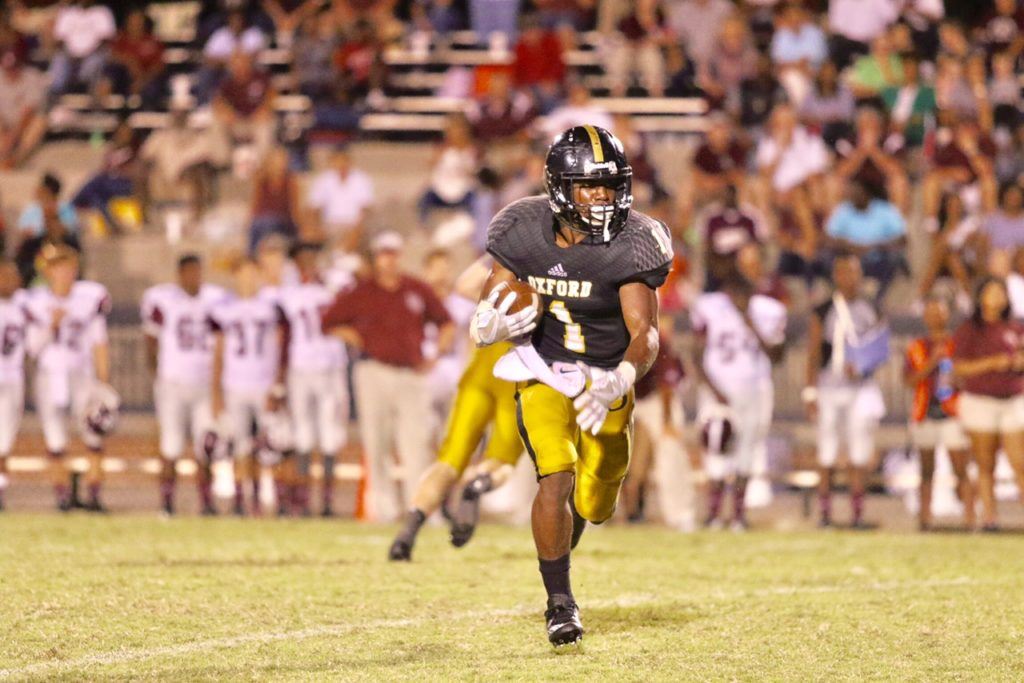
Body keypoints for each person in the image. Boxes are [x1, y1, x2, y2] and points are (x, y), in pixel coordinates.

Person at [473, 126, 673, 647]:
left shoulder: (635, 241)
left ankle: (572, 532)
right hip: (544, 368)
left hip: (607, 377)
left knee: (596, 500)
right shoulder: (521, 228)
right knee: (554, 479)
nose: (602, 197)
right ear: (561, 187)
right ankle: (560, 603)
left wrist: (621, 378)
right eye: (589, 186)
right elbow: (495, 294)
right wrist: (488, 321)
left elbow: (645, 333)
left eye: (609, 186)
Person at [389, 256, 524, 561]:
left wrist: (498, 254)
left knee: (449, 460)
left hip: (481, 365)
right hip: (520, 368)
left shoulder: (510, 258)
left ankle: (407, 532)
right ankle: (476, 486)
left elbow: (464, 286)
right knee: (500, 461)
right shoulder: (562, 269)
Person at [322, 231, 455, 523]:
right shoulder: (362, 291)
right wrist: (355, 337)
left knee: (416, 444)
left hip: (411, 372)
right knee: (376, 442)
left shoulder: (415, 289)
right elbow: (329, 321)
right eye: (384, 254)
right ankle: (381, 510)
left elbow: (446, 322)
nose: (389, 260)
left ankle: (421, 510)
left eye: (393, 253)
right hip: (374, 371)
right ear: (376, 257)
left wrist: (436, 355)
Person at [691, 270, 786, 531]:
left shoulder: (766, 311)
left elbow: (777, 355)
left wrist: (750, 322)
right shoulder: (710, 308)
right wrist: (713, 389)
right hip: (719, 391)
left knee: (747, 451)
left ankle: (738, 515)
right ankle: (713, 514)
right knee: (717, 450)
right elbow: (696, 353)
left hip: (755, 391)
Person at [23, 245, 114, 512]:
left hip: (81, 375)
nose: (64, 273)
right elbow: (31, 348)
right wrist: (51, 325)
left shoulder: (89, 297)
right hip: (50, 376)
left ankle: (94, 494)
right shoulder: (35, 301)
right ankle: (62, 496)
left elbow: (99, 342)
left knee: (94, 434)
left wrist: (102, 380)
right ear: (48, 271)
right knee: (55, 439)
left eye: (68, 267)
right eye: (58, 267)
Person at [141, 255, 228, 516]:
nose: (194, 277)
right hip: (173, 383)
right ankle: (167, 504)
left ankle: (207, 502)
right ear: (179, 275)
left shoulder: (216, 299)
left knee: (206, 445)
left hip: (203, 383)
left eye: (197, 272)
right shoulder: (163, 299)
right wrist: (157, 373)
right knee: (171, 444)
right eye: (189, 272)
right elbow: (150, 339)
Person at [805, 253, 886, 529]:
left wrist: (864, 365)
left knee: (859, 450)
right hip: (830, 384)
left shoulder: (871, 308)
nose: (849, 278)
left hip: (860, 387)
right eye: (844, 272)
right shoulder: (825, 309)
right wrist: (810, 392)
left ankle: (857, 512)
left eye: (854, 272)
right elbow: (814, 353)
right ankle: (825, 512)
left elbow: (879, 347)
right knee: (826, 449)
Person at [209, 258, 287, 516]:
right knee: (240, 445)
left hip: (263, 385)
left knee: (271, 447)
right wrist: (216, 392)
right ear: (235, 276)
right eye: (243, 273)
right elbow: (218, 353)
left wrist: (277, 385)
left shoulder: (270, 306)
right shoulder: (224, 308)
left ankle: (274, 498)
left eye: (253, 273)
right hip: (235, 384)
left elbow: (279, 348)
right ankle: (243, 499)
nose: (248, 279)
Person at [276, 242, 347, 517]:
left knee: (331, 435)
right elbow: (283, 337)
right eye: (302, 260)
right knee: (303, 435)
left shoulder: (334, 284)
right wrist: (279, 378)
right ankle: (303, 502)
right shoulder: (288, 293)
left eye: (311, 258)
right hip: (300, 368)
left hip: (331, 367)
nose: (308, 264)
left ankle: (327, 504)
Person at [951, 277, 1024, 532]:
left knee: (1020, 460)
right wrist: (993, 363)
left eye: (1000, 292)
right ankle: (990, 517)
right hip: (981, 400)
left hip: (1013, 399)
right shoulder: (970, 330)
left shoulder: (1015, 328)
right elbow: (958, 367)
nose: (996, 298)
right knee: (985, 462)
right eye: (991, 292)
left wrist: (1017, 363)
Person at [904, 295, 974, 531]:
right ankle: (925, 517)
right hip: (925, 412)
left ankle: (970, 517)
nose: (935, 316)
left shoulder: (958, 344)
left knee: (960, 467)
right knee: (925, 469)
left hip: (952, 412)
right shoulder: (917, 347)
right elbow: (909, 380)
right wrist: (932, 363)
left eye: (940, 311)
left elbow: (967, 377)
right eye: (931, 311)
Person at [823, 180, 908, 303]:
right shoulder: (844, 210)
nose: (851, 195)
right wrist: (848, 245)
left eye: (855, 191)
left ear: (866, 193)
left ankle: (878, 300)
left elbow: (902, 238)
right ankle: (840, 296)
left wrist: (876, 245)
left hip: (878, 259)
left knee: (895, 257)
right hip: (849, 258)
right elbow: (828, 237)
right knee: (825, 257)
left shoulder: (885, 209)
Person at [303, 145, 375, 253]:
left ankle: (342, 255)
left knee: (356, 234)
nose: (340, 165)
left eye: (343, 161)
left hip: (353, 225)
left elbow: (366, 209)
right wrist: (316, 227)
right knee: (308, 234)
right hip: (329, 225)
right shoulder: (323, 180)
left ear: (349, 161)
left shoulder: (361, 179)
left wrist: (357, 227)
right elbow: (313, 208)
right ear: (332, 162)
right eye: (337, 161)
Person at [0, 261, 27, 511]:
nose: (9, 280)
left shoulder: (25, 305)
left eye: (13, 275)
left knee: (4, 442)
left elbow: (33, 346)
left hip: (12, 379)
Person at [0, 45, 47, 168]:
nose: (11, 72)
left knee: (40, 122)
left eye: (14, 68)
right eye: (8, 68)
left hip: (25, 124)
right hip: (4, 124)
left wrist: (13, 136)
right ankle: (3, 158)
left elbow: (29, 112)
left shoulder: (31, 77)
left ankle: (16, 159)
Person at [249, 147, 300, 252]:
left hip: (283, 220)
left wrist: (297, 224)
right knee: (257, 225)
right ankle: (252, 254)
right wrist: (250, 219)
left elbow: (294, 206)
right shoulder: (262, 181)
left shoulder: (290, 181)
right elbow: (255, 203)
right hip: (263, 219)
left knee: (266, 223)